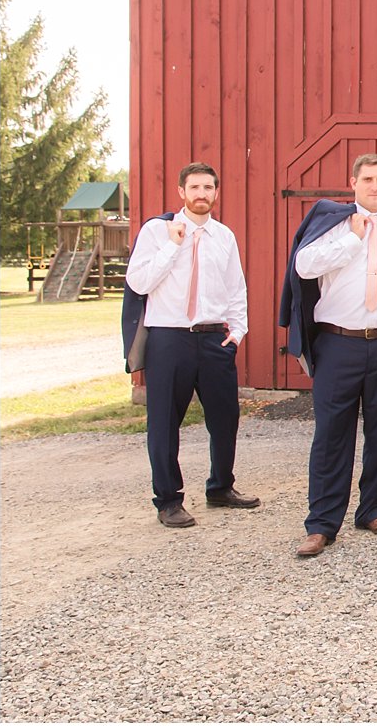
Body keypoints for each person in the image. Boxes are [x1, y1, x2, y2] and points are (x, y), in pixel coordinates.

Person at [286, 153, 377, 557]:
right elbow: (303, 266)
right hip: (339, 342)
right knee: (332, 434)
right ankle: (321, 525)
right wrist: (352, 238)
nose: (375, 186)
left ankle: (372, 509)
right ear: (352, 183)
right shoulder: (333, 224)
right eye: (367, 179)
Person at [123, 162, 258, 528]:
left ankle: (220, 486)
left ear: (216, 192)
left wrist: (239, 331)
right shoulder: (157, 231)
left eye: (208, 188)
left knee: (225, 416)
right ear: (181, 191)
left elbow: (236, 287)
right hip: (169, 337)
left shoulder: (224, 236)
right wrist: (172, 246)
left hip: (215, 337)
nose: (201, 194)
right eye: (194, 188)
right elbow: (138, 283)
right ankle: (168, 500)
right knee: (165, 422)